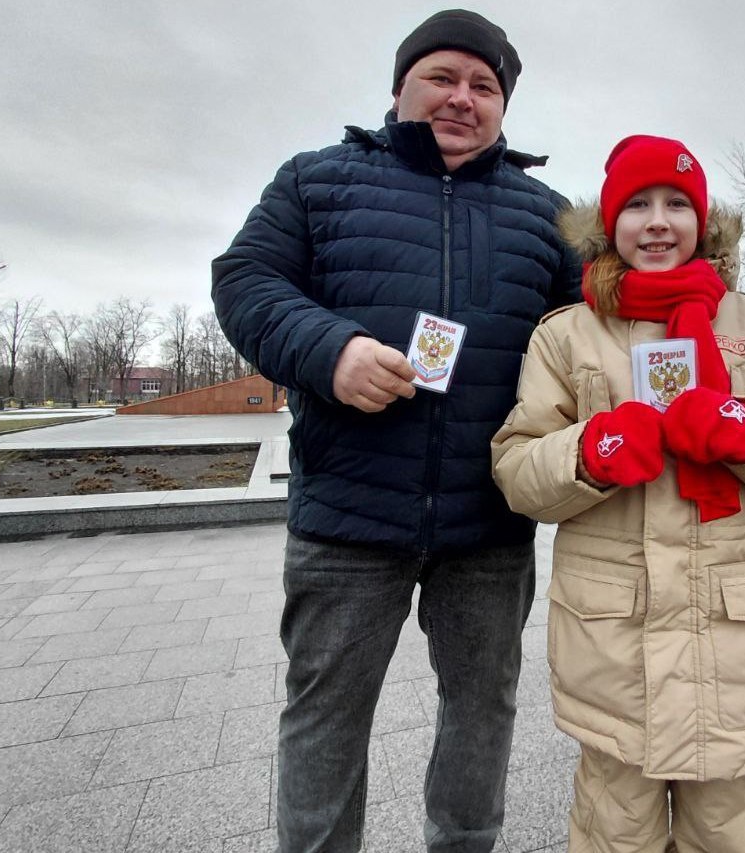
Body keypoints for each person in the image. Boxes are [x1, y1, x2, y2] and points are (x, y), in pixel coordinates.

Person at [211, 10, 579, 853]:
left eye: (484, 86)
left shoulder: (546, 216)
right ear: (399, 88)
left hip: (489, 523)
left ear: (503, 106)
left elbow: (601, 326)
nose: (462, 98)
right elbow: (245, 280)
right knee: (326, 714)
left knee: (482, 708)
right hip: (348, 516)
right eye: (442, 77)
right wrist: (328, 348)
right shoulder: (317, 179)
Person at [491, 135, 745, 852]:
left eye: (677, 203)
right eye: (638, 205)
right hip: (613, 647)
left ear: (703, 221)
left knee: (728, 832)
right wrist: (592, 452)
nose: (658, 221)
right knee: (612, 830)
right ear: (609, 224)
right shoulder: (566, 335)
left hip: (735, 645)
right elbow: (517, 468)